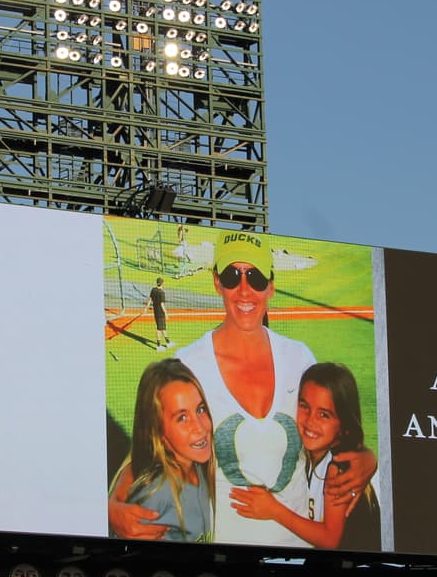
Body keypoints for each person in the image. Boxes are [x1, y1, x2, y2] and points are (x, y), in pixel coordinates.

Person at [109, 232, 376, 545]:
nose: (244, 290)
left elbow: (330, 433)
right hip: (225, 567)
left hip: (301, 558)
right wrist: (110, 507)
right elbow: (146, 452)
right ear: (217, 282)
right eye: (232, 276)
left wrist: (367, 457)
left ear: (271, 286)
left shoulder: (299, 357)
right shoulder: (188, 365)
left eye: (257, 277)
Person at [229, 362, 380, 548]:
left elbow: (330, 540)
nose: (310, 420)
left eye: (324, 415)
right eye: (304, 406)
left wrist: (273, 510)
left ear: (344, 426)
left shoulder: (339, 467)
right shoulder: (311, 453)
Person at [111, 358, 215, 542]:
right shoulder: (157, 493)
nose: (200, 427)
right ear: (157, 430)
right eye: (182, 417)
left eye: (200, 409)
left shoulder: (199, 465)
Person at [142, 277, 174, 351]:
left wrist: (146, 308)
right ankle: (158, 346)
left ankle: (168, 342)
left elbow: (150, 300)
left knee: (163, 327)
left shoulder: (153, 290)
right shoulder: (162, 293)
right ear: (162, 283)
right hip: (160, 313)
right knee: (159, 329)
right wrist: (166, 313)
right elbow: (162, 304)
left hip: (156, 312)